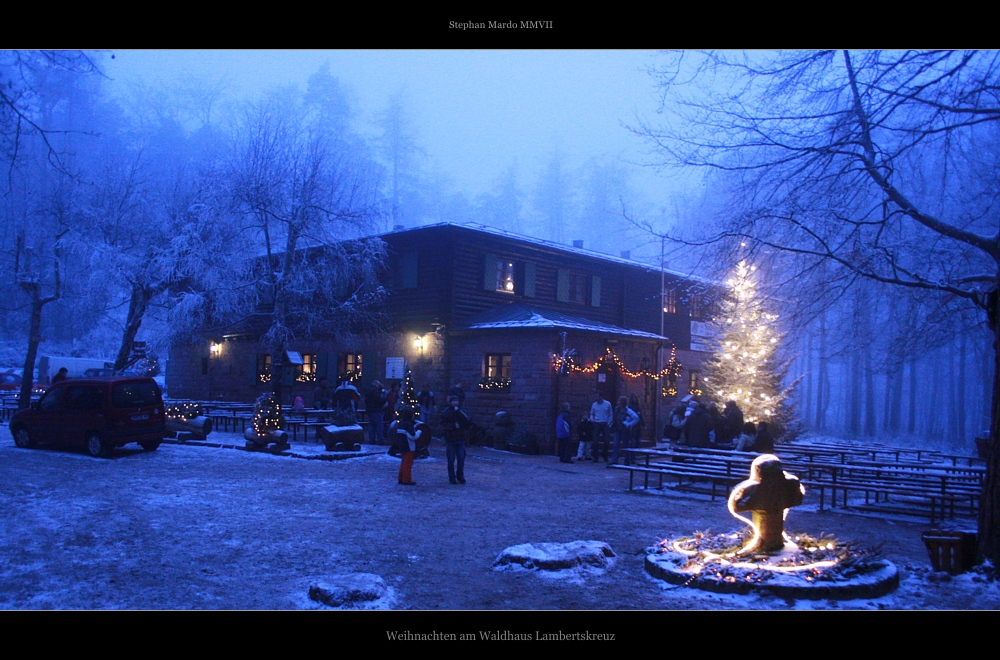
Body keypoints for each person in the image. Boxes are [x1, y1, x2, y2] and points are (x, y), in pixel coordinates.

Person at [440, 394, 472, 484]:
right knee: (451, 459)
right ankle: (452, 477)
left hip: (460, 437)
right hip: (451, 439)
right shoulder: (446, 412)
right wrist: (452, 426)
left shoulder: (461, 411)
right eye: (453, 401)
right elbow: (442, 424)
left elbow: (467, 421)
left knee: (461, 459)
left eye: (456, 401)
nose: (455, 402)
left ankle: (460, 476)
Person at [394, 406, 422, 486]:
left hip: (402, 446)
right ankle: (407, 479)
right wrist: (419, 432)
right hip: (409, 446)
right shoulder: (409, 424)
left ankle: (401, 478)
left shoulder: (400, 423)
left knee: (403, 462)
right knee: (408, 463)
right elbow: (413, 436)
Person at [610, 396, 639, 465]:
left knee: (625, 446)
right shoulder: (617, 410)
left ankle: (627, 460)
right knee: (615, 445)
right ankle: (614, 459)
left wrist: (629, 424)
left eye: (619, 401)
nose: (618, 403)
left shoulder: (628, 411)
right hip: (617, 429)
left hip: (625, 430)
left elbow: (636, 418)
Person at [589, 391, 614, 462]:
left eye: (597, 396)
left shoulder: (608, 404)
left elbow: (610, 414)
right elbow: (592, 413)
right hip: (596, 423)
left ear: (601, 396)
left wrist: (609, 423)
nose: (595, 398)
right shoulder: (594, 405)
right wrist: (592, 419)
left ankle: (605, 454)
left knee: (607, 440)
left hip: (605, 423)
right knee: (595, 440)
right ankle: (595, 456)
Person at [364, 380, 387, 445]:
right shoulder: (375, 391)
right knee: (379, 426)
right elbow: (379, 399)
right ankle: (380, 440)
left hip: (370, 410)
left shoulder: (368, 390)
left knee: (372, 426)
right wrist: (384, 399)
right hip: (376, 410)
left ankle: (372, 440)